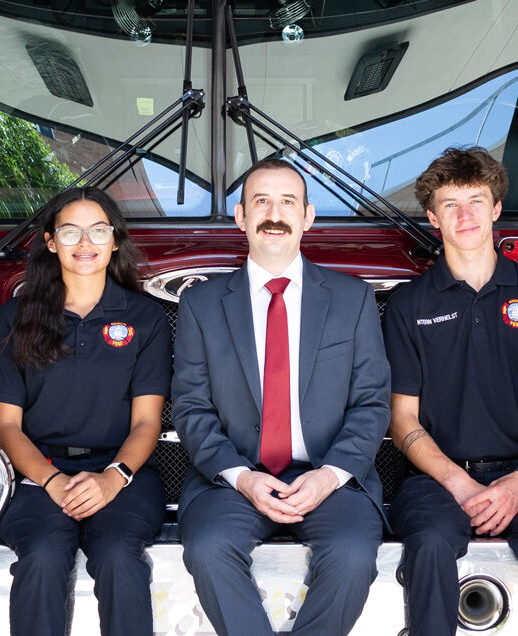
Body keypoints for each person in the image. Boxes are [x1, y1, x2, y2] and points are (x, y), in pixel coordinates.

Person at [171, 159, 390, 636]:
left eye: (288, 201)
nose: (274, 213)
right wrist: (242, 478)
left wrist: (328, 477)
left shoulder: (352, 299)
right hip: (233, 479)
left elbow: (372, 403)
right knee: (208, 548)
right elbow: (191, 407)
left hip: (330, 477)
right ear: (240, 216)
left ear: (308, 216)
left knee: (353, 555)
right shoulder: (201, 304)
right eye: (261, 202)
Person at [382, 147, 518, 636]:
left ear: (497, 209)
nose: (465, 214)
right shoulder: (407, 305)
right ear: (433, 218)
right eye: (450, 204)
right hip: (434, 482)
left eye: (476, 200)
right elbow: (401, 418)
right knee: (429, 542)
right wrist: (460, 485)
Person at [0, 188, 171, 635]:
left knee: (117, 555)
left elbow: (147, 422)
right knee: (43, 555)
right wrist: (51, 480)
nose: (84, 243)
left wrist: (112, 477)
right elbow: (5, 425)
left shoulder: (145, 318)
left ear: (114, 240)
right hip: (38, 473)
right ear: (51, 241)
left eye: (98, 231)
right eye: (70, 231)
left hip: (125, 475)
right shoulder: (17, 317)